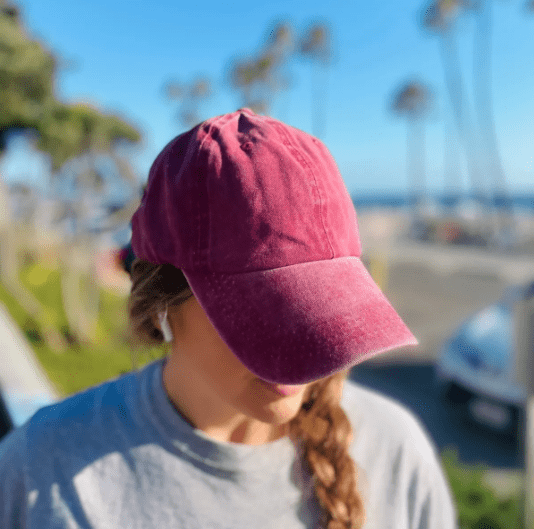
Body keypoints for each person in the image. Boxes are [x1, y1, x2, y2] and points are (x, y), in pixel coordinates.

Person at [0, 109, 457, 528]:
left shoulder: (396, 450)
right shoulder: (43, 467)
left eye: (326, 306)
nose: (303, 340)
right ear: (164, 297)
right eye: (266, 308)